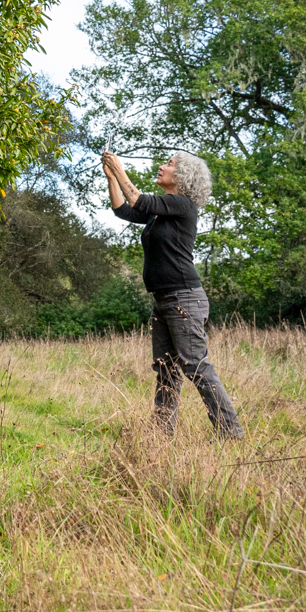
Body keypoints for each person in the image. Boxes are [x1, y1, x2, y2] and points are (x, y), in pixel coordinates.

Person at [101, 149, 244, 439]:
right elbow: (123, 209)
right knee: (166, 369)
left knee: (195, 366)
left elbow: (138, 199)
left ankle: (231, 432)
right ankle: (162, 434)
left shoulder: (183, 205)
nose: (161, 166)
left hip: (184, 298)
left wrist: (120, 168)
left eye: (168, 164)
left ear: (181, 176)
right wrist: (110, 176)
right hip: (163, 300)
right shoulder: (160, 213)